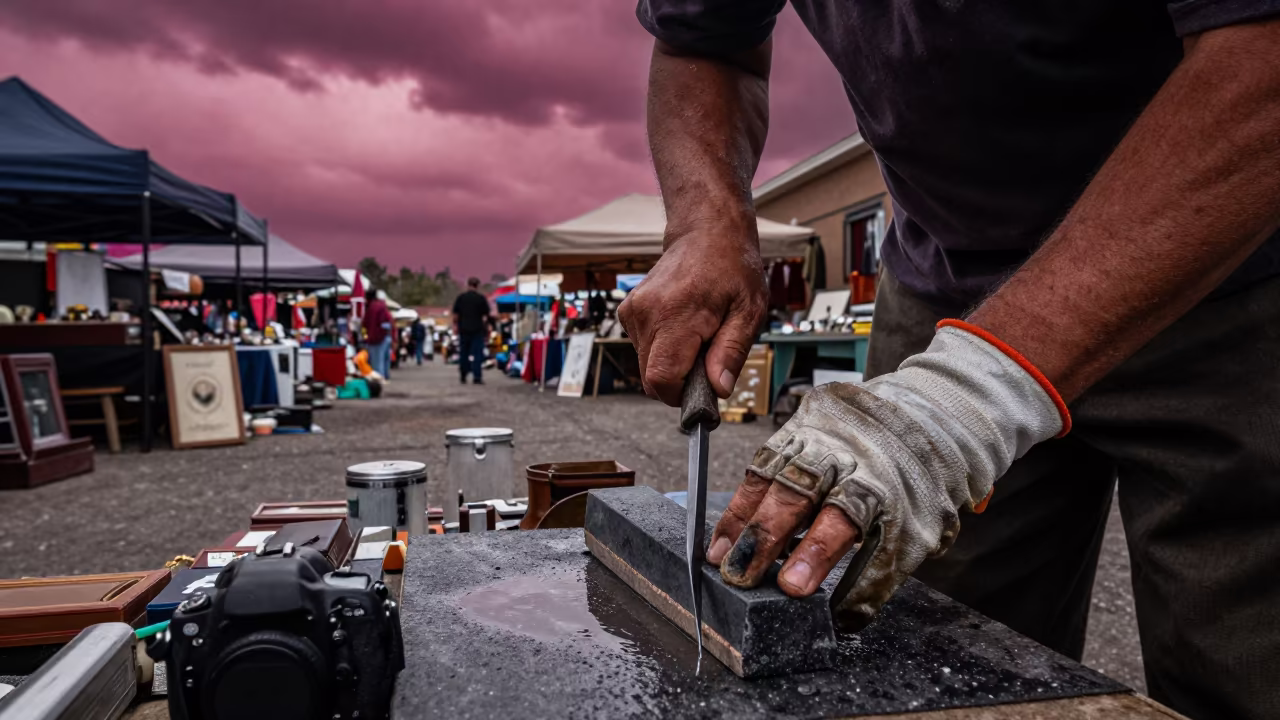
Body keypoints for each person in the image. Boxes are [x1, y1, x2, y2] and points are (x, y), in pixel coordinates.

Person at [620, 4, 1280, 719]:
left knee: (1245, 659)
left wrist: (966, 395)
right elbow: (705, 45)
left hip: (1229, 263)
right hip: (946, 281)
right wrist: (706, 218)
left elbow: (1262, 50)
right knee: (935, 656)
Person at [453, 277, 493, 384]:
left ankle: (463, 375)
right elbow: (485, 316)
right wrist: (486, 327)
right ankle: (477, 377)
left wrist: (455, 326)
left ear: (468, 285)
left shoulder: (461, 298)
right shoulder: (481, 298)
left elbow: (456, 315)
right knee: (477, 354)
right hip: (477, 330)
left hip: (464, 329)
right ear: (477, 286)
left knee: (463, 353)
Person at [363, 289, 393, 380]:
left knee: (377, 362)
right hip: (385, 337)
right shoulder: (382, 306)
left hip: (376, 338)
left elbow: (365, 323)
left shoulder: (372, 307)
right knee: (384, 360)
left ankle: (379, 380)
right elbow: (388, 322)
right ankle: (385, 376)